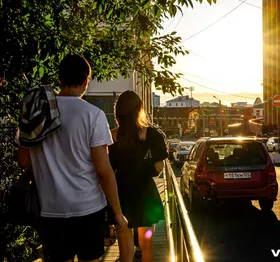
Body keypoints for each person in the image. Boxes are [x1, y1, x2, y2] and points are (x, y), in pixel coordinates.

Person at [17, 54, 128, 262]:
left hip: (51, 209)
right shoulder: (93, 115)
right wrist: (118, 212)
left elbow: (23, 161)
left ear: (59, 79)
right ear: (86, 80)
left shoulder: (36, 112)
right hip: (89, 209)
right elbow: (103, 171)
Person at [109, 90, 168, 262]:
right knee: (146, 246)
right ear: (139, 109)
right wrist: (144, 168)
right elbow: (159, 166)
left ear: (118, 112)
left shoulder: (111, 135)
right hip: (145, 196)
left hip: (121, 196)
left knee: (125, 251)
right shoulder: (150, 134)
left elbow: (108, 170)